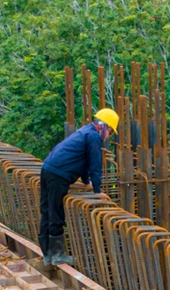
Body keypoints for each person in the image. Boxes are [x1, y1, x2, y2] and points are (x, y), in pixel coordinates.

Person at [39, 108, 119, 258]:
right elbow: (94, 164)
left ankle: (47, 255)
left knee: (47, 211)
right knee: (56, 214)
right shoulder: (94, 137)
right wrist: (97, 191)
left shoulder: (85, 131)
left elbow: (83, 162)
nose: (109, 136)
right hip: (58, 175)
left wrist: (85, 181)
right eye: (111, 132)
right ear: (104, 126)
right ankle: (57, 255)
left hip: (47, 169)